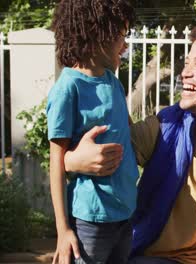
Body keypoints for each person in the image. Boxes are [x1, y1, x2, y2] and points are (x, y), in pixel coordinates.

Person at [65, 22, 196, 264]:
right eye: (187, 63)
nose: (185, 72)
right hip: (154, 258)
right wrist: (70, 161)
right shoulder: (161, 128)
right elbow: (104, 157)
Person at [47, 0, 136, 263]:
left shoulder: (114, 83)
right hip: (91, 219)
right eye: (121, 36)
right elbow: (56, 161)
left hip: (125, 214)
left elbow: (129, 136)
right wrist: (63, 230)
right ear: (96, 34)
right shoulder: (68, 88)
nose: (126, 45)